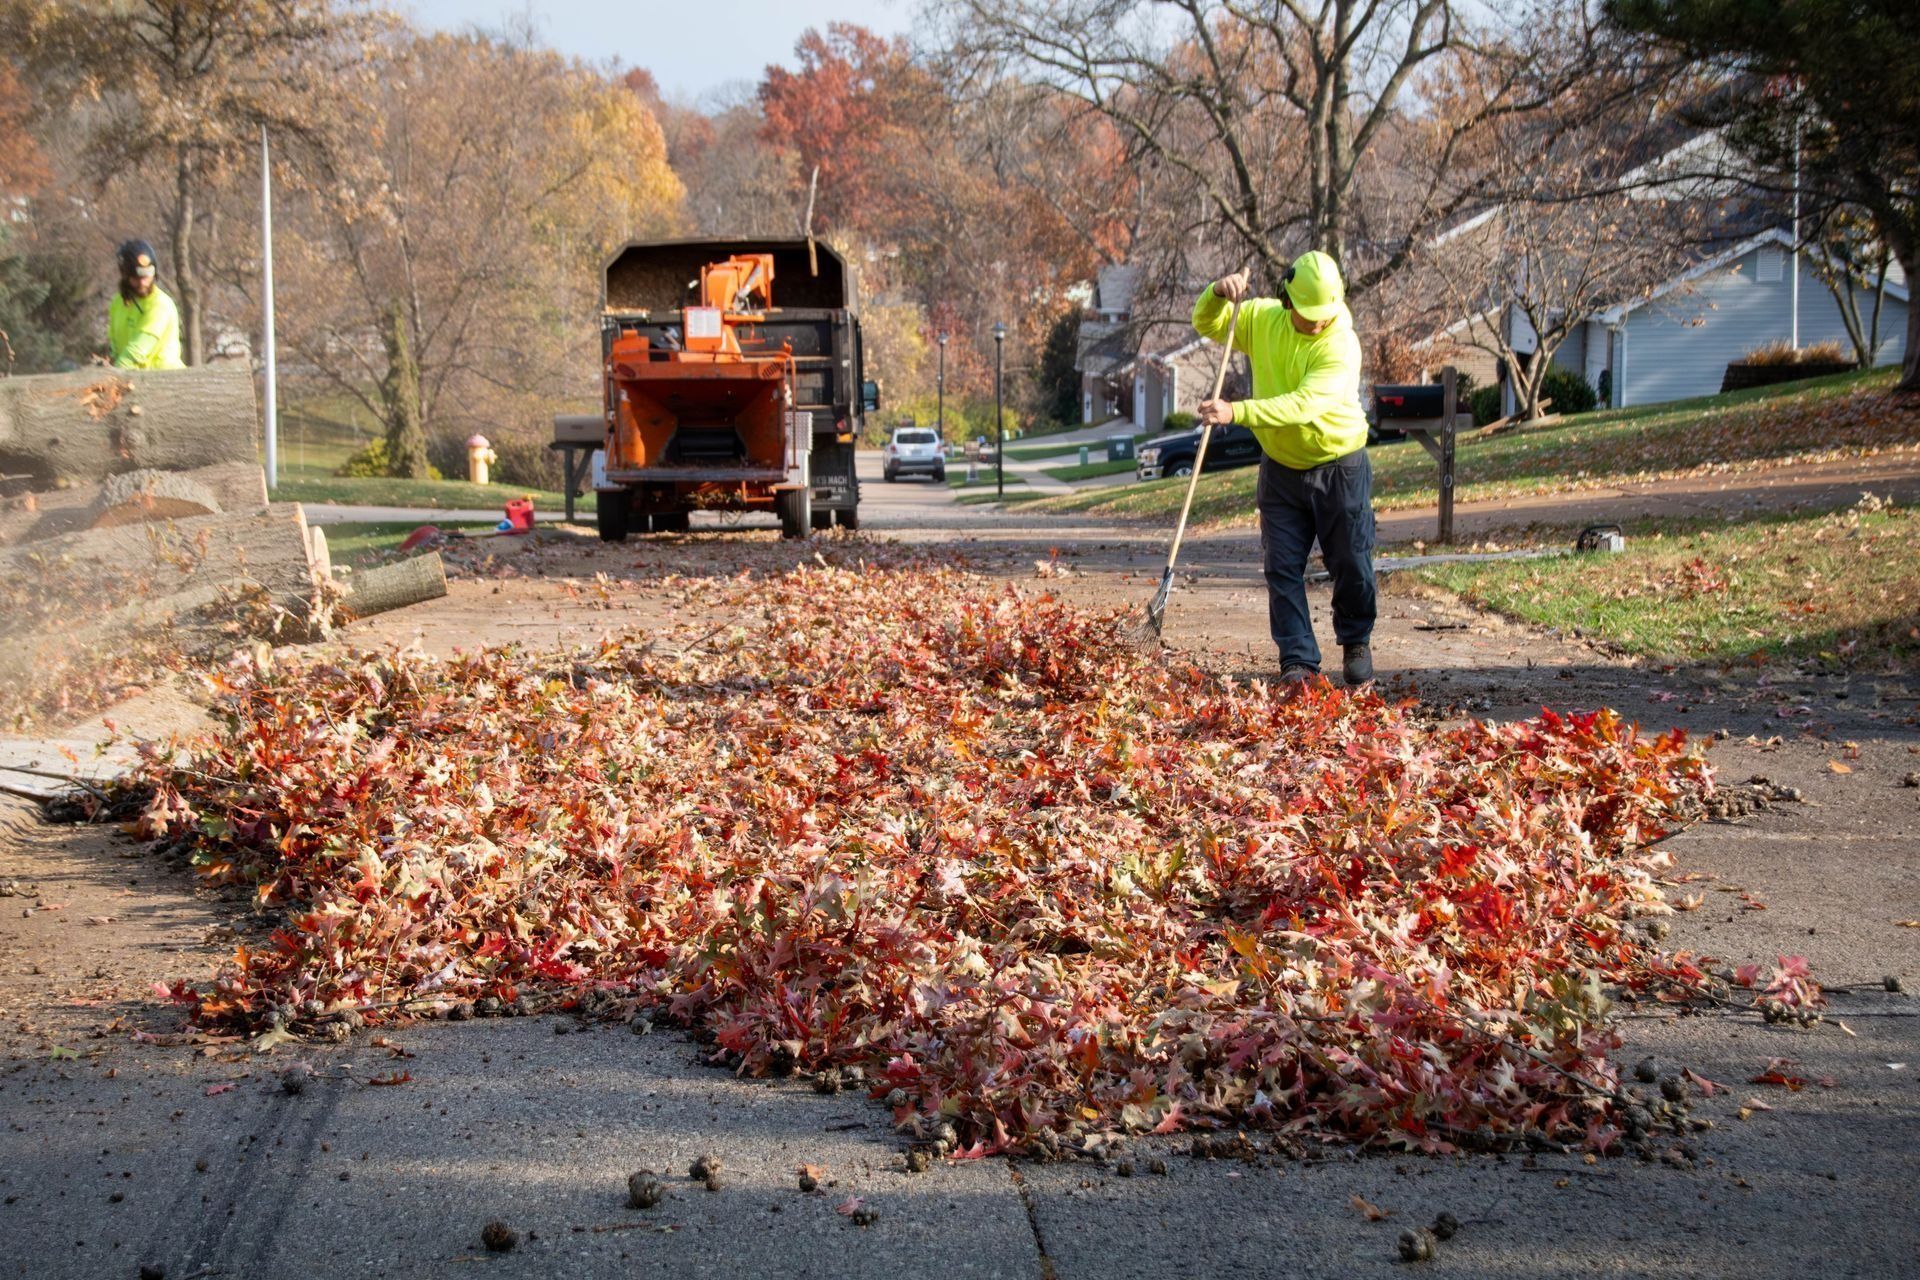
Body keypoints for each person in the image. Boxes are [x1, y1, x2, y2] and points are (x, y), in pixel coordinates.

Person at [1192, 250, 1375, 685]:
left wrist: (1236, 413)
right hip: (1280, 471)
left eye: (1325, 314)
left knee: (1351, 562)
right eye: (1308, 314)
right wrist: (1218, 293)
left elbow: (1303, 405)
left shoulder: (1341, 344)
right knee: (1281, 565)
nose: (1318, 323)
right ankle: (1297, 661)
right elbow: (1208, 323)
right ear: (1287, 300)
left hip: (1338, 466)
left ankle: (1355, 641)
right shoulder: (1262, 319)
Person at [108, 239, 184, 370]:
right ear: (125, 275)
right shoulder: (118, 303)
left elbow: (137, 351)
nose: (143, 283)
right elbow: (114, 347)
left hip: (165, 380)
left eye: (147, 276)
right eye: (137, 278)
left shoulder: (160, 304)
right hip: (135, 379)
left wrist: (112, 376)